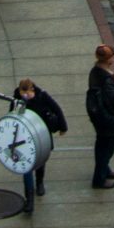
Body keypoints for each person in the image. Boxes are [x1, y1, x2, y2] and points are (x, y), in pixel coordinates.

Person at [14, 77, 67, 214]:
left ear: (32, 89)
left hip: (41, 136)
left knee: (40, 162)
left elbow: (57, 109)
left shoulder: (42, 96)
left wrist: (63, 126)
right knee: (26, 169)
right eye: (22, 93)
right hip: (24, 139)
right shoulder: (17, 100)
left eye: (28, 93)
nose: (25, 96)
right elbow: (13, 116)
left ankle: (39, 182)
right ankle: (29, 199)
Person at [85, 43, 114, 187]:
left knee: (104, 147)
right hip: (107, 118)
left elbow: (111, 83)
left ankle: (105, 170)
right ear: (108, 59)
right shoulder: (105, 78)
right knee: (106, 149)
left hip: (101, 116)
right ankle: (99, 179)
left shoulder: (97, 71)